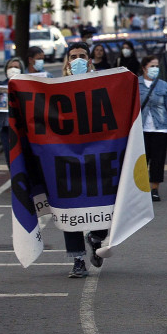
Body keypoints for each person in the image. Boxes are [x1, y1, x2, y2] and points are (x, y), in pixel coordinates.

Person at [60, 43, 107, 278]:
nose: (77, 60)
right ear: (67, 62)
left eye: (82, 56)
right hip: (67, 157)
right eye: (73, 57)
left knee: (108, 203)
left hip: (97, 156)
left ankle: (96, 236)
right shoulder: (56, 88)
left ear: (89, 61)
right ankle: (78, 260)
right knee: (70, 211)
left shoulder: (101, 85)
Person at [138, 55, 167, 202]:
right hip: (141, 129)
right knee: (141, 161)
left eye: (157, 66)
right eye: (152, 66)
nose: (155, 69)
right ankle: (140, 190)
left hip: (160, 129)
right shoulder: (135, 84)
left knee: (158, 161)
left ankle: (154, 189)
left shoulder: (163, 86)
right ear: (144, 68)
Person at [0, 57, 24, 166]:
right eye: (10, 67)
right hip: (5, 127)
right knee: (9, 155)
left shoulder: (25, 86)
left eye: (16, 67)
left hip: (21, 127)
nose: (13, 69)